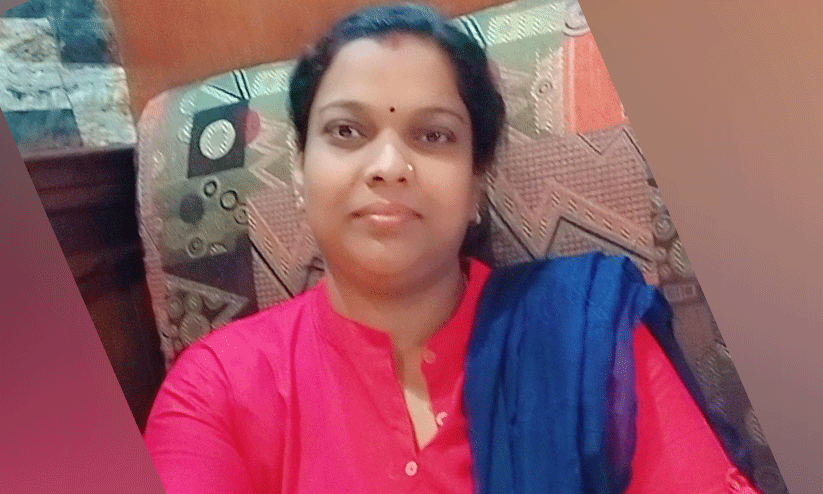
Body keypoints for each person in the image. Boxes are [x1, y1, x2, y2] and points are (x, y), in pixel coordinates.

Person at [143, 4, 761, 494]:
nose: (388, 165)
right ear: (301, 172)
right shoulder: (216, 391)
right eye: (347, 131)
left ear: (475, 185)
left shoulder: (584, 335)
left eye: (432, 135)